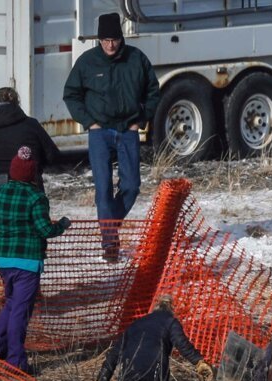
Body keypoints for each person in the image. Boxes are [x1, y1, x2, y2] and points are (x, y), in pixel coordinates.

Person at [63, 12, 160, 262]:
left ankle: (109, 224)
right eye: (105, 40)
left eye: (114, 39)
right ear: (99, 39)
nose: (110, 44)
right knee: (103, 188)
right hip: (100, 132)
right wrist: (89, 122)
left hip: (128, 129)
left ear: (121, 37)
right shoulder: (87, 62)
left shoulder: (136, 59)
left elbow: (153, 92)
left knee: (131, 186)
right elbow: (71, 94)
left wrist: (140, 121)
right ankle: (109, 243)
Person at [0, 147, 71, 374]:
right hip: (27, 263)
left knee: (11, 305)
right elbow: (44, 230)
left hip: (4, 261)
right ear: (32, 175)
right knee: (20, 312)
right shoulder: (36, 197)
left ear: (12, 172)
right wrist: (62, 224)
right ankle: (16, 363)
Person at [0, 87, 61, 215]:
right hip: (27, 185)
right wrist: (36, 165)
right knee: (29, 230)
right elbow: (53, 156)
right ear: (17, 102)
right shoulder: (31, 124)